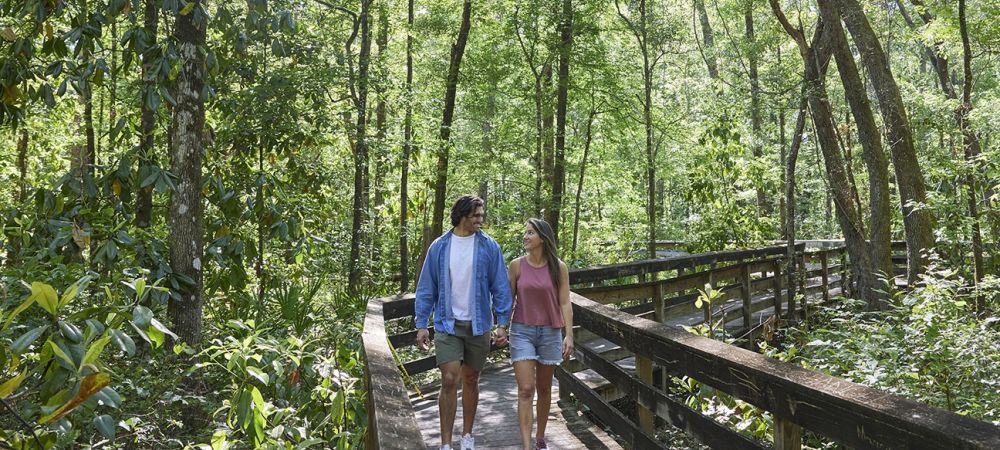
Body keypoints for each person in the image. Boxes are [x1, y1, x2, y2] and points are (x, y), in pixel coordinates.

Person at [415, 195, 513, 450]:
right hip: (448, 324)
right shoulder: (439, 246)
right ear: (462, 216)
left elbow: (501, 287)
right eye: (476, 216)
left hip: (478, 325)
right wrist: (422, 324)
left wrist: (502, 323)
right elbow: (427, 287)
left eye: (482, 215)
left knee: (470, 379)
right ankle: (446, 443)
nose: (481, 220)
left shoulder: (489, 246)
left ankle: (467, 436)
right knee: (449, 378)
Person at [507, 218, 574, 450]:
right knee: (526, 389)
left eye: (530, 233)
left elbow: (565, 302)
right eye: (525, 232)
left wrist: (569, 335)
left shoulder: (559, 267)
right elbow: (508, 301)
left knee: (544, 389)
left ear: (543, 238)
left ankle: (540, 438)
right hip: (521, 330)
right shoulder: (516, 265)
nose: (525, 237)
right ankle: (526, 446)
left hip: (550, 332)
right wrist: (500, 327)